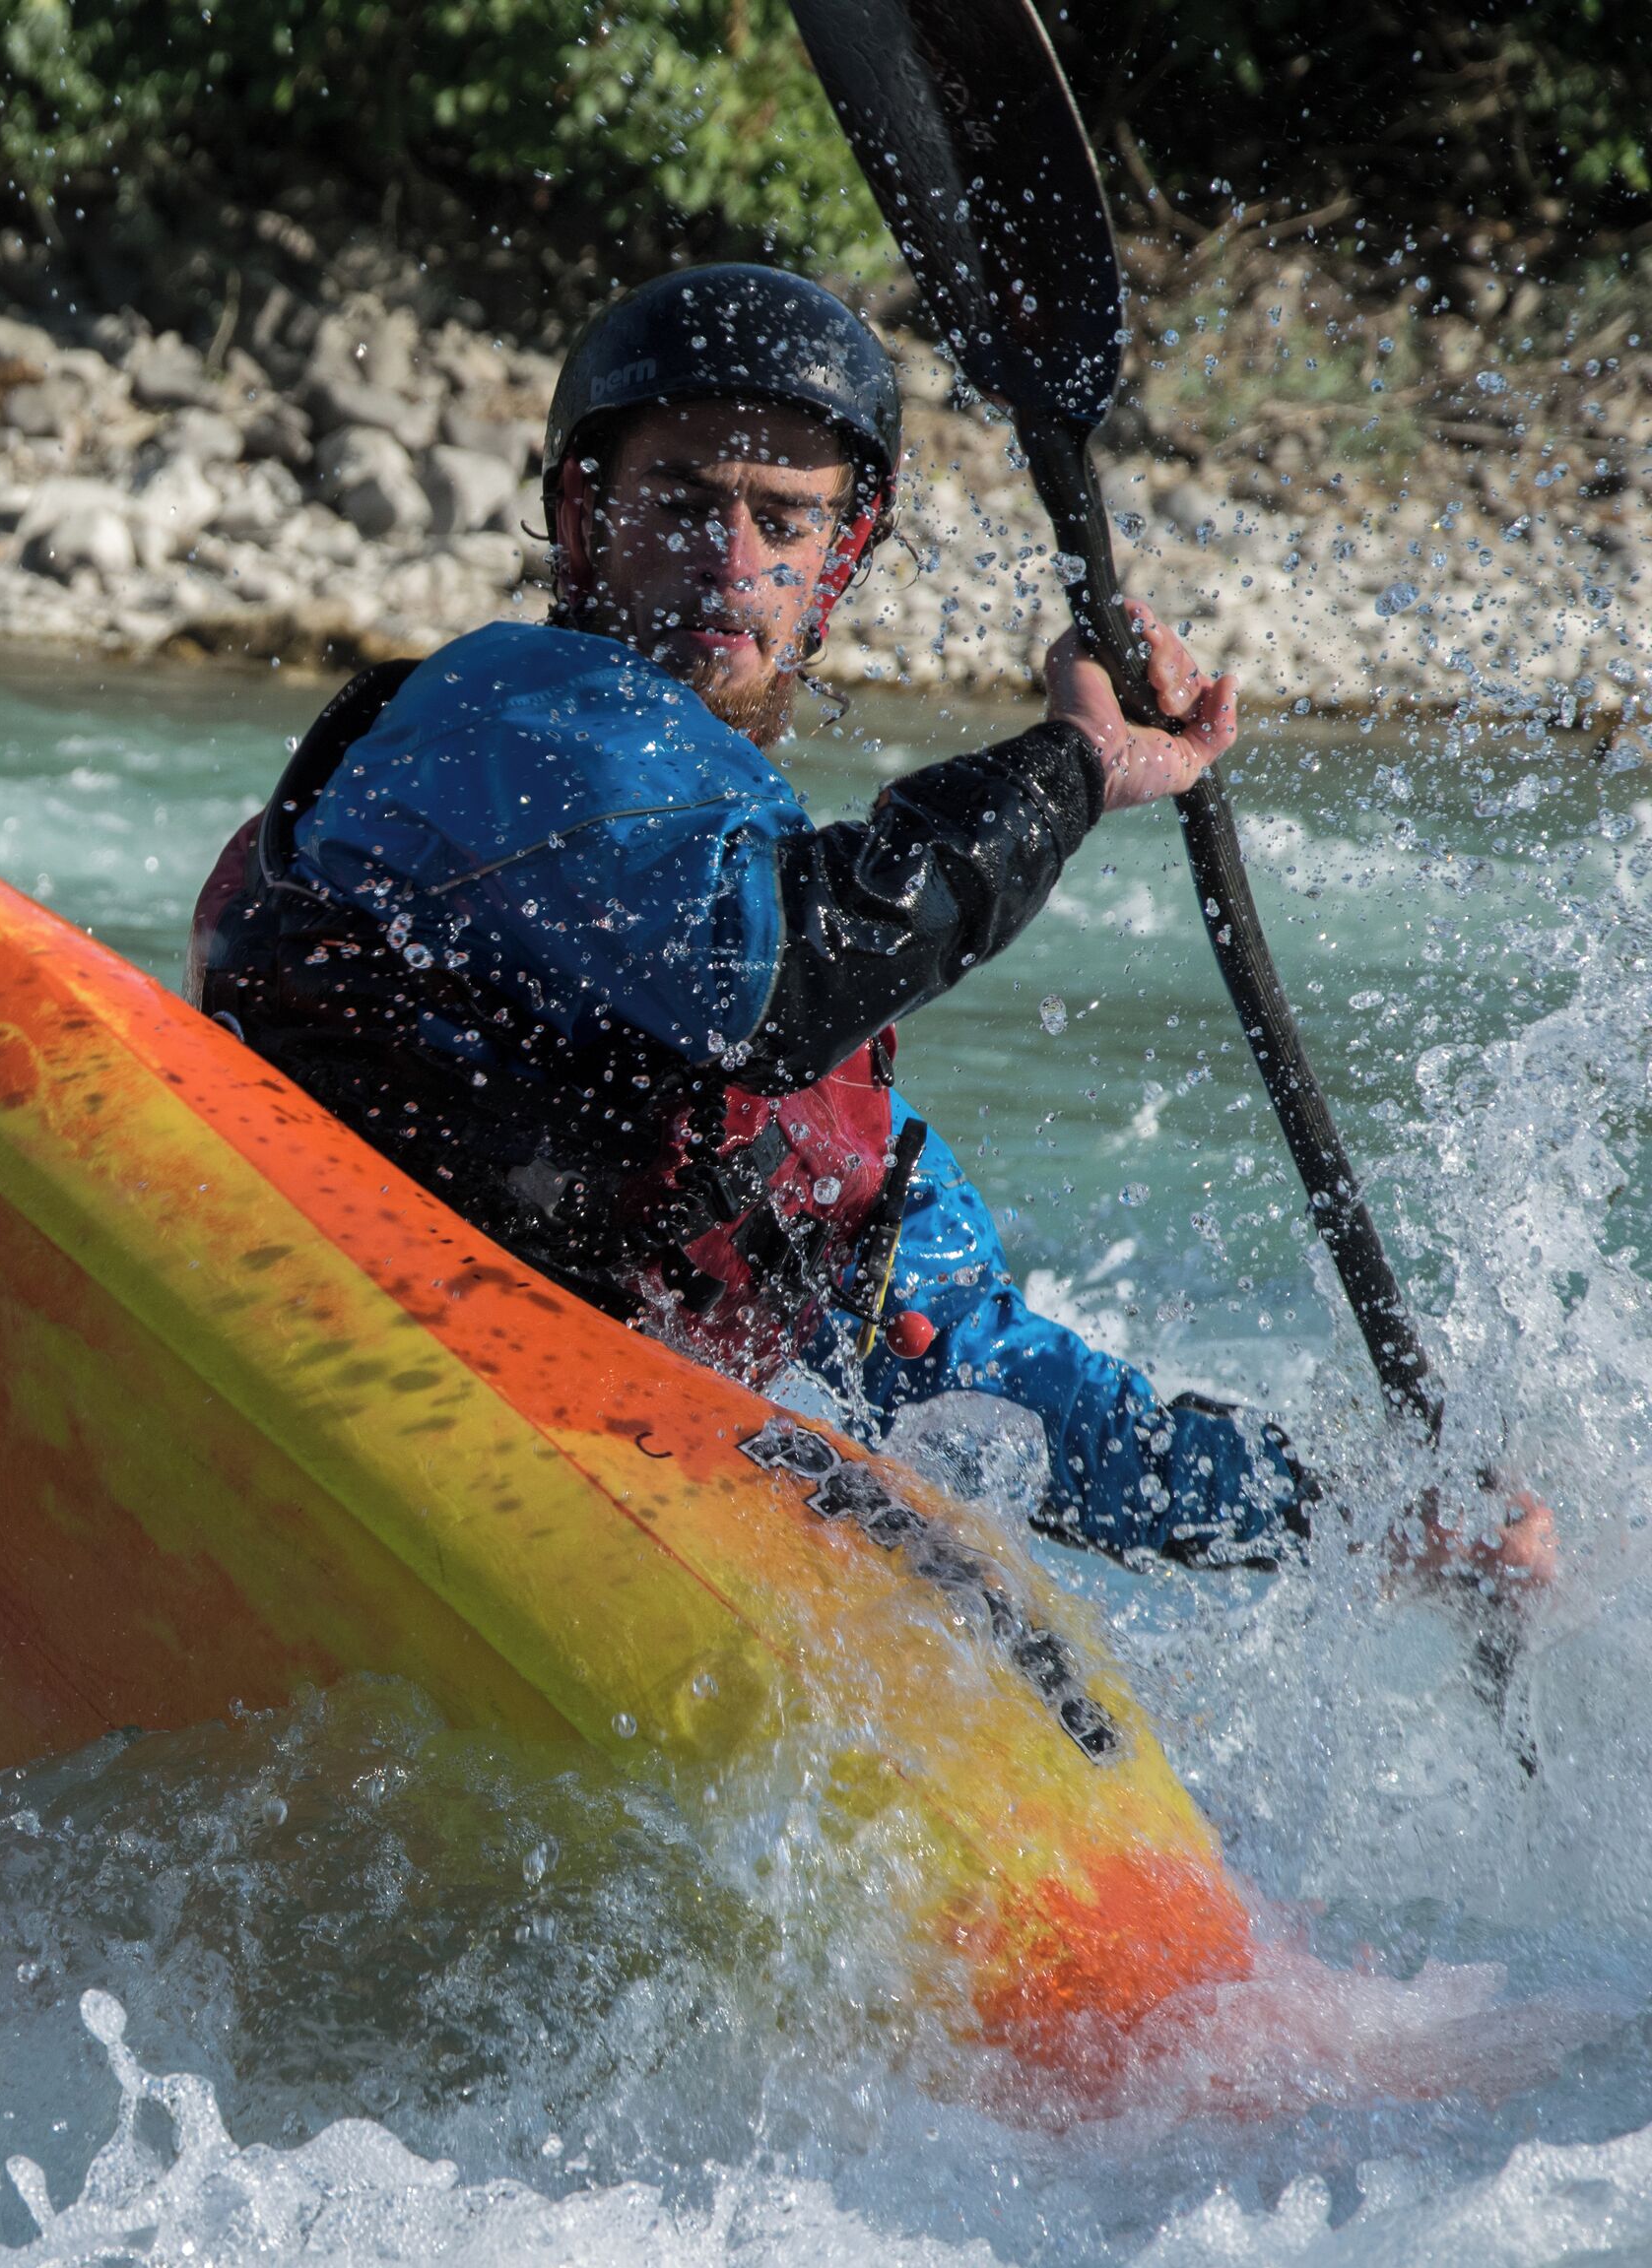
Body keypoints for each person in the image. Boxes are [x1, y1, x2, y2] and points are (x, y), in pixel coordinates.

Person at [191, 263, 1552, 1588]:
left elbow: (979, 1384)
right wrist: (1070, 772)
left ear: (841, 559)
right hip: (334, 1360)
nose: (732, 565)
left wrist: (1358, 1508)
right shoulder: (511, 718)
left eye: (784, 522)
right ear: (582, 512)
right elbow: (770, 976)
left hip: (558, 1461)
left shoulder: (786, 968)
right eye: (682, 501)